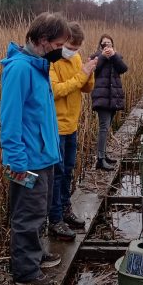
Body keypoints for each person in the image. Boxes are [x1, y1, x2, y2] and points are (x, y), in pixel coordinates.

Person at [0, 12, 69, 285]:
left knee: (38, 210)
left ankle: (37, 253)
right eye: (58, 44)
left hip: (44, 157)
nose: (61, 51)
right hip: (28, 160)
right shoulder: (19, 70)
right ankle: (25, 271)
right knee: (26, 215)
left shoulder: (39, 67)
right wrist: (17, 161)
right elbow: (10, 119)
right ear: (43, 40)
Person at [48, 22, 97, 239]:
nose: (73, 51)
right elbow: (56, 90)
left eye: (77, 48)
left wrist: (89, 71)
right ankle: (55, 218)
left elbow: (86, 87)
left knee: (68, 170)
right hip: (56, 127)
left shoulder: (76, 58)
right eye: (70, 46)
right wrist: (80, 76)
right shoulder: (52, 60)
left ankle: (66, 210)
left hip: (72, 125)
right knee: (56, 174)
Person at [90, 34, 128, 170]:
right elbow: (94, 69)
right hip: (102, 97)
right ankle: (100, 159)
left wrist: (113, 56)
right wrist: (102, 56)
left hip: (113, 98)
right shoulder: (95, 57)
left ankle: (104, 156)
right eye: (104, 43)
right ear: (100, 46)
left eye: (109, 43)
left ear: (113, 45)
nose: (106, 46)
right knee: (103, 128)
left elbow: (123, 69)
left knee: (107, 127)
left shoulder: (116, 57)